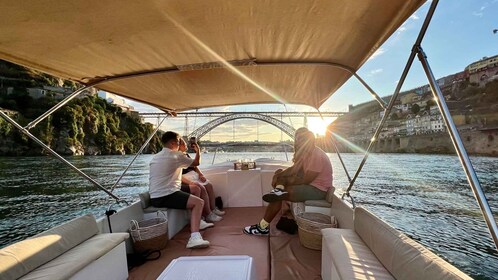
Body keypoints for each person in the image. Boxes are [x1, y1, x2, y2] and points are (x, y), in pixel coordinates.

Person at [243, 127, 333, 235]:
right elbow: (294, 169)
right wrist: (279, 175)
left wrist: (286, 181)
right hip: (309, 185)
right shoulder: (306, 152)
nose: (299, 141)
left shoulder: (316, 155)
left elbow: (306, 180)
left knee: (279, 194)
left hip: (318, 190)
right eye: (298, 139)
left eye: (302, 139)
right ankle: (278, 190)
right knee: (281, 174)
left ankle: (262, 227)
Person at [149, 131, 211, 249]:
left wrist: (181, 150)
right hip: (165, 195)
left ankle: (198, 221)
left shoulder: (157, 156)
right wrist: (198, 150)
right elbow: (196, 162)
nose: (181, 143)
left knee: (195, 189)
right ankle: (194, 238)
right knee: (199, 202)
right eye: (179, 141)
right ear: (173, 143)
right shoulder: (176, 156)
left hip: (157, 194)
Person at [178, 138, 225, 222]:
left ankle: (213, 209)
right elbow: (178, 175)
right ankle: (208, 214)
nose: (186, 145)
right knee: (202, 188)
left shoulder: (185, 155)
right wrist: (191, 182)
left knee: (209, 185)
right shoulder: (177, 157)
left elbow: (195, 166)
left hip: (193, 176)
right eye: (184, 144)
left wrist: (200, 174)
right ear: (179, 146)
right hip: (186, 178)